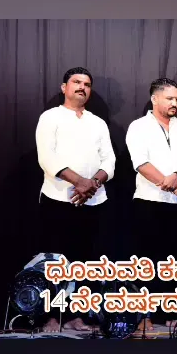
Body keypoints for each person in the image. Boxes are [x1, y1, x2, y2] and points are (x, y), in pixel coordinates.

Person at [35, 67, 116, 333]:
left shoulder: (98, 122)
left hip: (93, 201)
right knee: (55, 263)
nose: (82, 87)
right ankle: (51, 317)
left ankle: (76, 316)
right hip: (58, 199)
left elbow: (109, 160)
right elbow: (47, 158)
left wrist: (92, 184)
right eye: (76, 82)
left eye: (87, 84)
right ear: (64, 88)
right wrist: (79, 182)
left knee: (84, 263)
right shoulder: (51, 117)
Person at [126, 78, 177, 331]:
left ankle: (172, 314)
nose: (174, 103)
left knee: (175, 262)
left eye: (176, 98)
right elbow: (141, 165)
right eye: (169, 98)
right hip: (149, 202)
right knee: (146, 262)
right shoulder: (138, 127)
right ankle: (143, 317)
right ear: (154, 99)